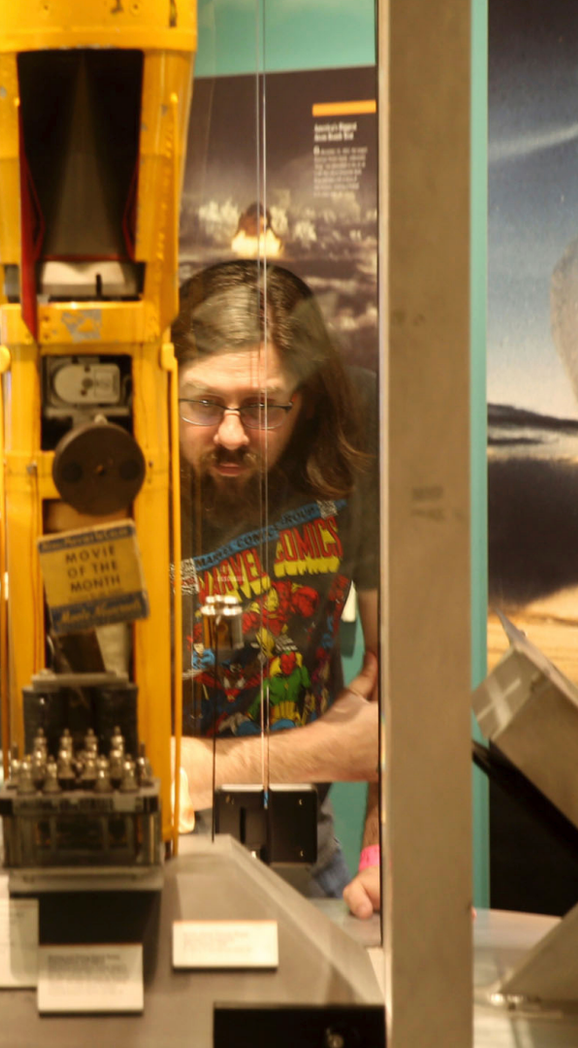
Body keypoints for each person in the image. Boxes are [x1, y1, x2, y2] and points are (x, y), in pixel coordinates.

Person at [171, 259, 383, 917]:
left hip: (301, 860)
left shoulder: (359, 445)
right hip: (154, 861)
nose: (231, 435)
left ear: (307, 399)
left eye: (263, 408)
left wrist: (382, 853)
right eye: (204, 404)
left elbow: (398, 703)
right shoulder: (117, 471)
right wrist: (324, 751)